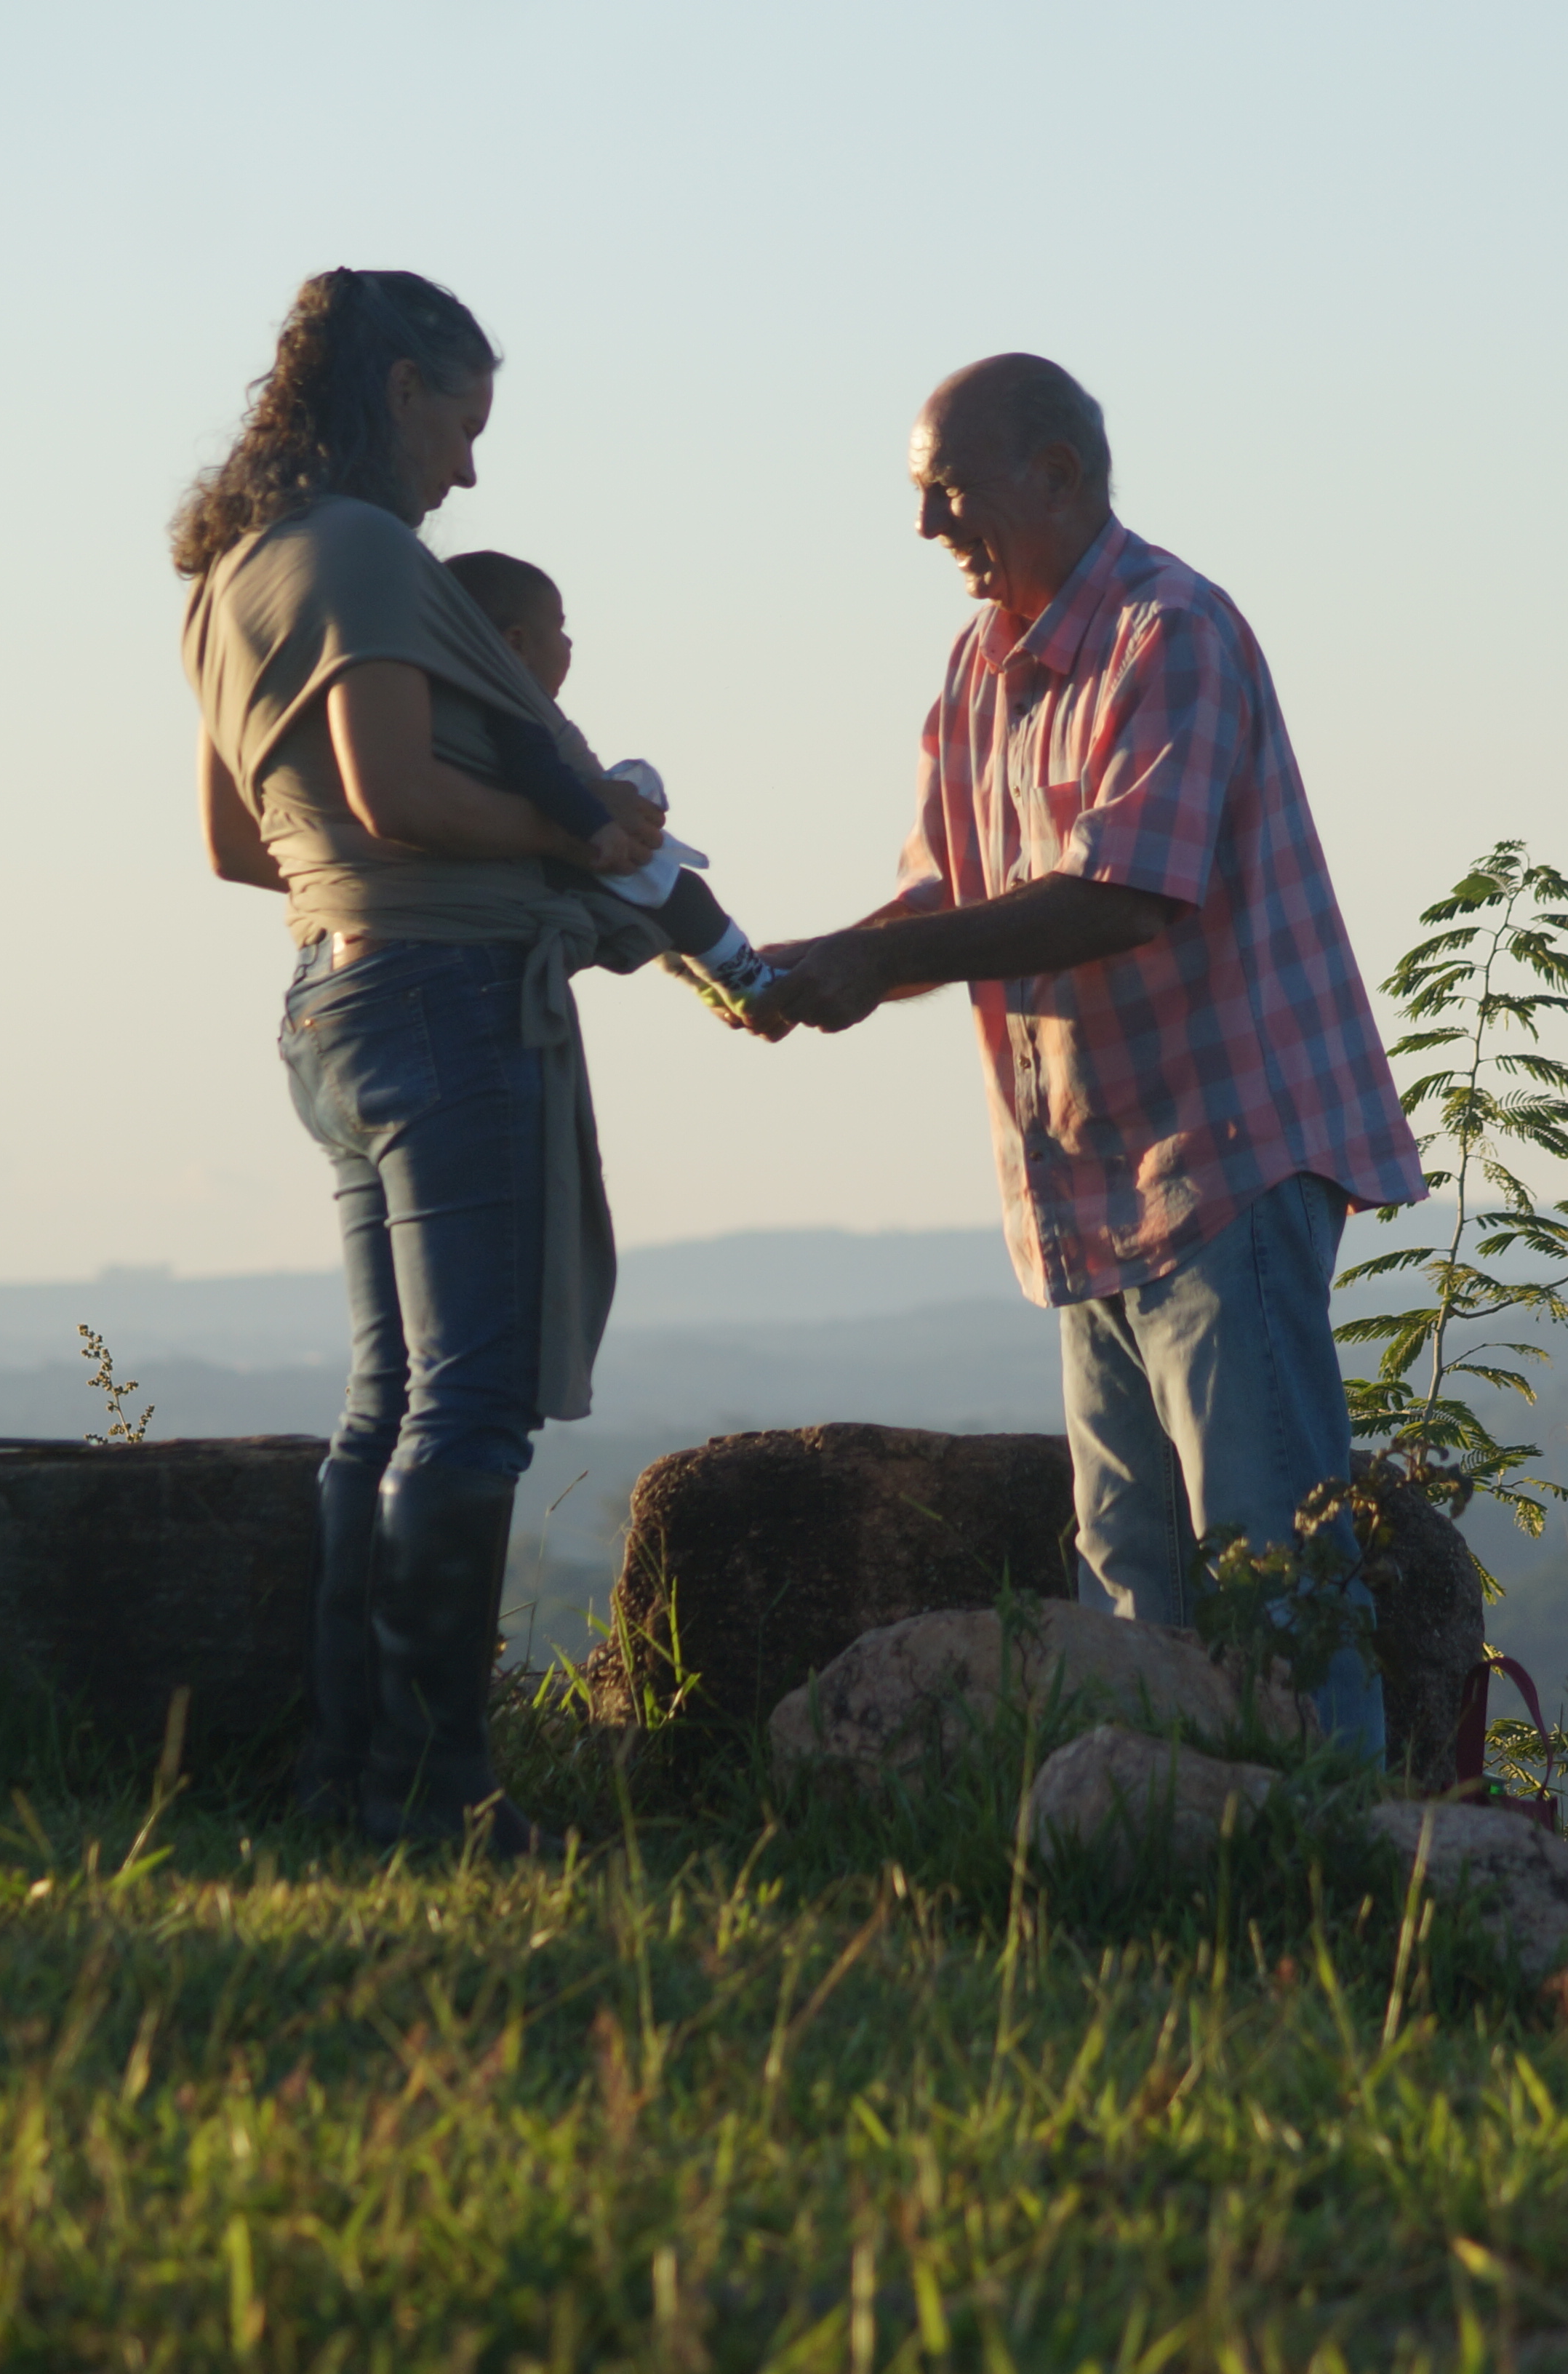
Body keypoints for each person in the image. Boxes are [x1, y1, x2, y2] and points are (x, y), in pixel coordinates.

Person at [753, 353, 1427, 1756]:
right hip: (1091, 1184)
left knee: (1272, 1570)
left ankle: (1344, 1874)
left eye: (950, 491)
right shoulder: (979, 666)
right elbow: (943, 893)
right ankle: (1163, 1865)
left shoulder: (1165, 632)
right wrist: (819, 963)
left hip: (1220, 1157)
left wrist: (880, 963)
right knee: (1127, 1572)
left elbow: (1128, 891)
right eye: (922, 497)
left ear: (1057, 474)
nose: (930, 529)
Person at [174, 267, 676, 1855]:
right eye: (464, 421)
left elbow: (235, 845)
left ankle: (345, 1778)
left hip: (327, 999)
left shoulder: (227, 575)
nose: (469, 468)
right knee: (466, 1413)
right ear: (398, 390)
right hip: (450, 997)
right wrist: (577, 832)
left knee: (383, 1406)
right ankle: (440, 1793)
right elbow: (396, 795)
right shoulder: (366, 555)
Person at [439, 548, 783, 1004]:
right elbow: (539, 773)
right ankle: (755, 987)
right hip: (568, 856)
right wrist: (595, 822)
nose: (570, 644)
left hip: (542, 867)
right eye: (560, 628)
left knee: (659, 910)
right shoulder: (510, 705)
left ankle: (711, 981)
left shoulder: (453, 706)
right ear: (517, 644)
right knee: (687, 898)